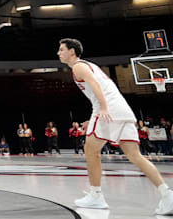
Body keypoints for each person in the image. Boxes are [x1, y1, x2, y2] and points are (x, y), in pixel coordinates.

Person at [57, 38, 173, 213]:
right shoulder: (91, 65)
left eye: (61, 49)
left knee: (90, 151)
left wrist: (102, 109)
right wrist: (96, 115)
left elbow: (96, 86)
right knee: (135, 156)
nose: (59, 53)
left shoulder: (78, 66)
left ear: (72, 51)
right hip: (123, 110)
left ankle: (96, 196)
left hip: (108, 109)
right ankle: (167, 195)